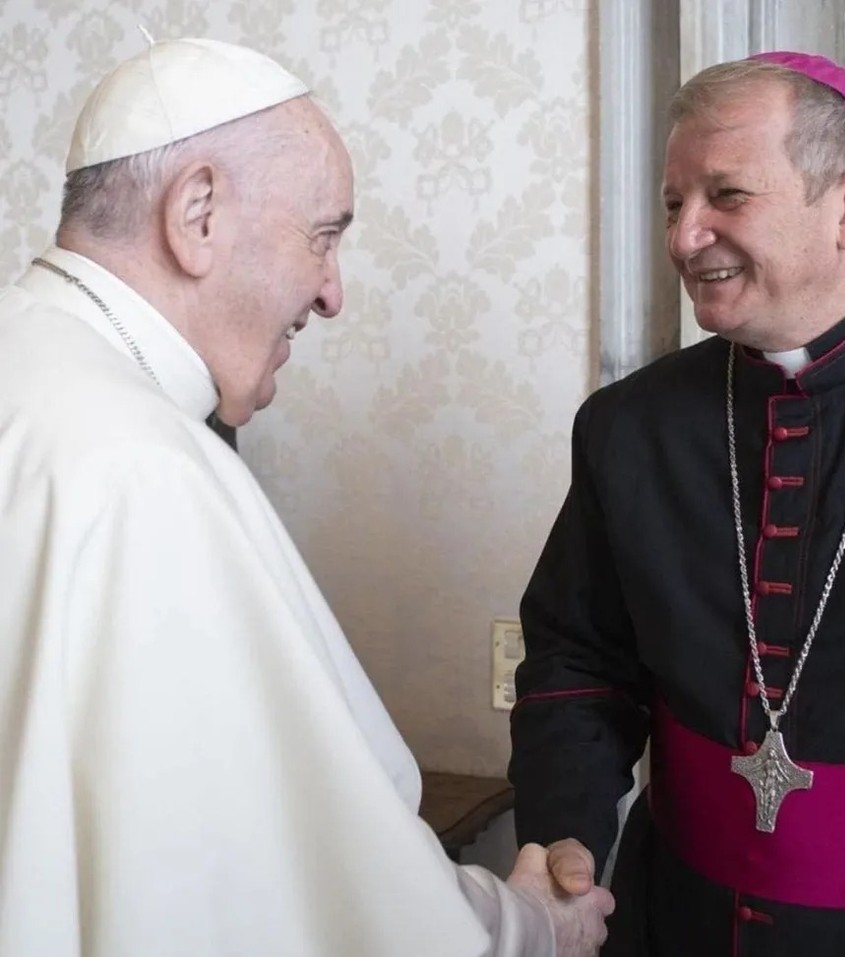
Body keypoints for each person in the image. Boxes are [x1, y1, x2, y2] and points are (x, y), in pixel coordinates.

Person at [0, 37, 614, 957]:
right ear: (196, 211)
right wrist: (535, 926)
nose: (332, 294)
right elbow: (305, 887)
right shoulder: (143, 468)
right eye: (323, 235)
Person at [509, 50, 845, 957]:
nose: (687, 236)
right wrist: (565, 831)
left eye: (727, 196)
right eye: (672, 203)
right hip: (677, 913)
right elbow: (579, 661)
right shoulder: (628, 425)